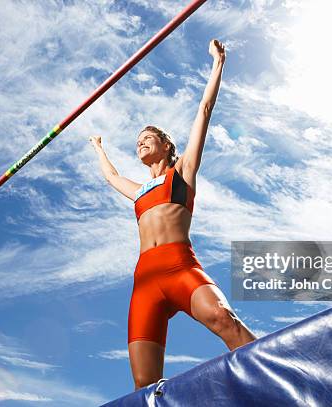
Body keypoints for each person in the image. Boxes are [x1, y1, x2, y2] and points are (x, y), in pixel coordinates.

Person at [89, 39, 257, 390]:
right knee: (144, 386)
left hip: (180, 267)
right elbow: (112, 177)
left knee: (225, 321)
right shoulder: (138, 191)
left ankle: (278, 385)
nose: (141, 142)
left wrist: (218, 63)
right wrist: (99, 148)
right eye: (138, 141)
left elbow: (204, 109)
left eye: (148, 137)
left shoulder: (181, 173)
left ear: (167, 146)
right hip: (145, 283)